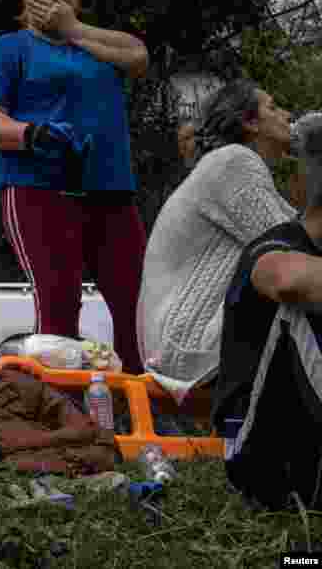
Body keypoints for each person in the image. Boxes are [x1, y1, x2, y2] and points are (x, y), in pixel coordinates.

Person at [0, 0, 150, 374]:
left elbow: (139, 56)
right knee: (59, 303)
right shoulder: (10, 48)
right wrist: (32, 134)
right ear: (23, 1)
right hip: (39, 188)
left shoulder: (96, 47)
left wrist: (72, 29)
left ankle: (148, 407)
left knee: (139, 303)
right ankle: (64, 417)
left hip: (109, 190)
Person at [138, 81, 297, 402]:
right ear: (250, 123)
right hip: (189, 341)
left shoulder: (239, 170)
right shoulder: (233, 162)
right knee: (298, 284)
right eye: (273, 107)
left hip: (186, 342)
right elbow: (293, 249)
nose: (287, 115)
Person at [212, 111, 322, 511]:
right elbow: (286, 280)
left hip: (308, 451)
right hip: (260, 459)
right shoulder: (273, 247)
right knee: (295, 309)